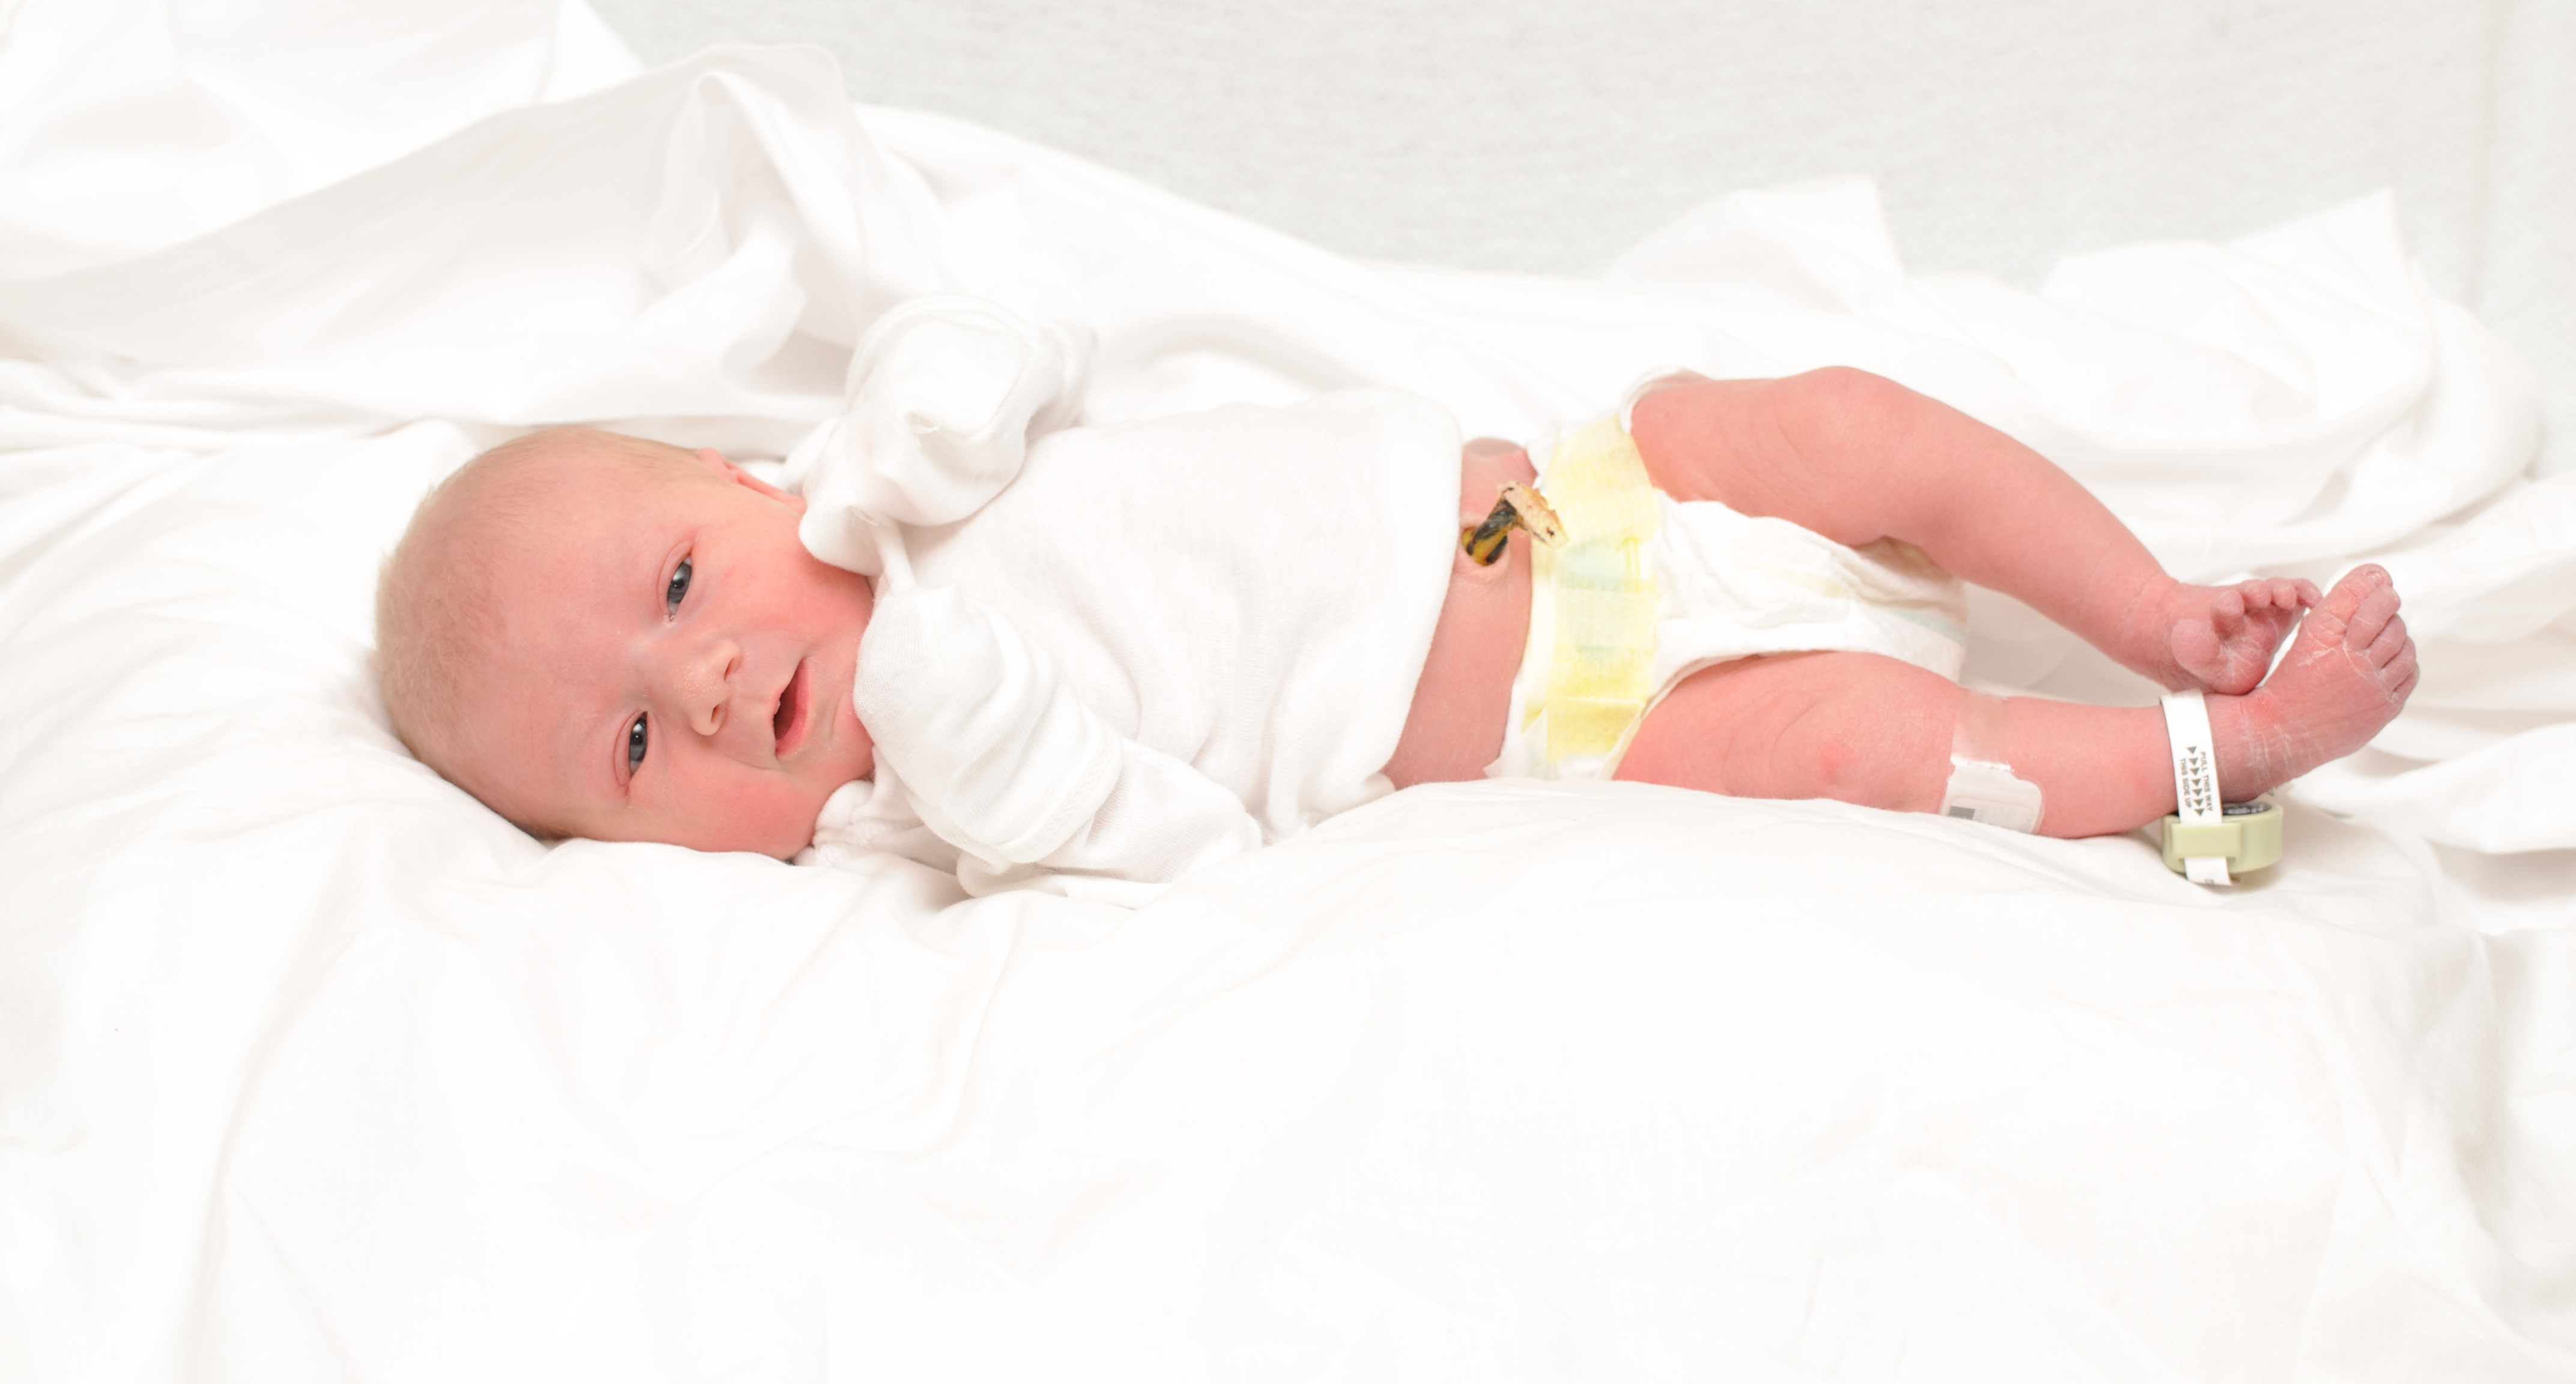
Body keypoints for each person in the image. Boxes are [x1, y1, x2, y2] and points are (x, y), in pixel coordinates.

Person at [374, 299, 2416, 899]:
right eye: (634, 741)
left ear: (745, 487)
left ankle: (2157, 612)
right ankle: (2218, 746)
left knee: (1833, 421)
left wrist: (926, 402)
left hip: (1598, 502)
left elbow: (1029, 347)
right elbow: (1175, 855)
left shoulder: (888, 475)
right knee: (1854, 755)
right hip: (1590, 730)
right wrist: (985, 752)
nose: (715, 679)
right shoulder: (906, 807)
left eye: (672, 582)